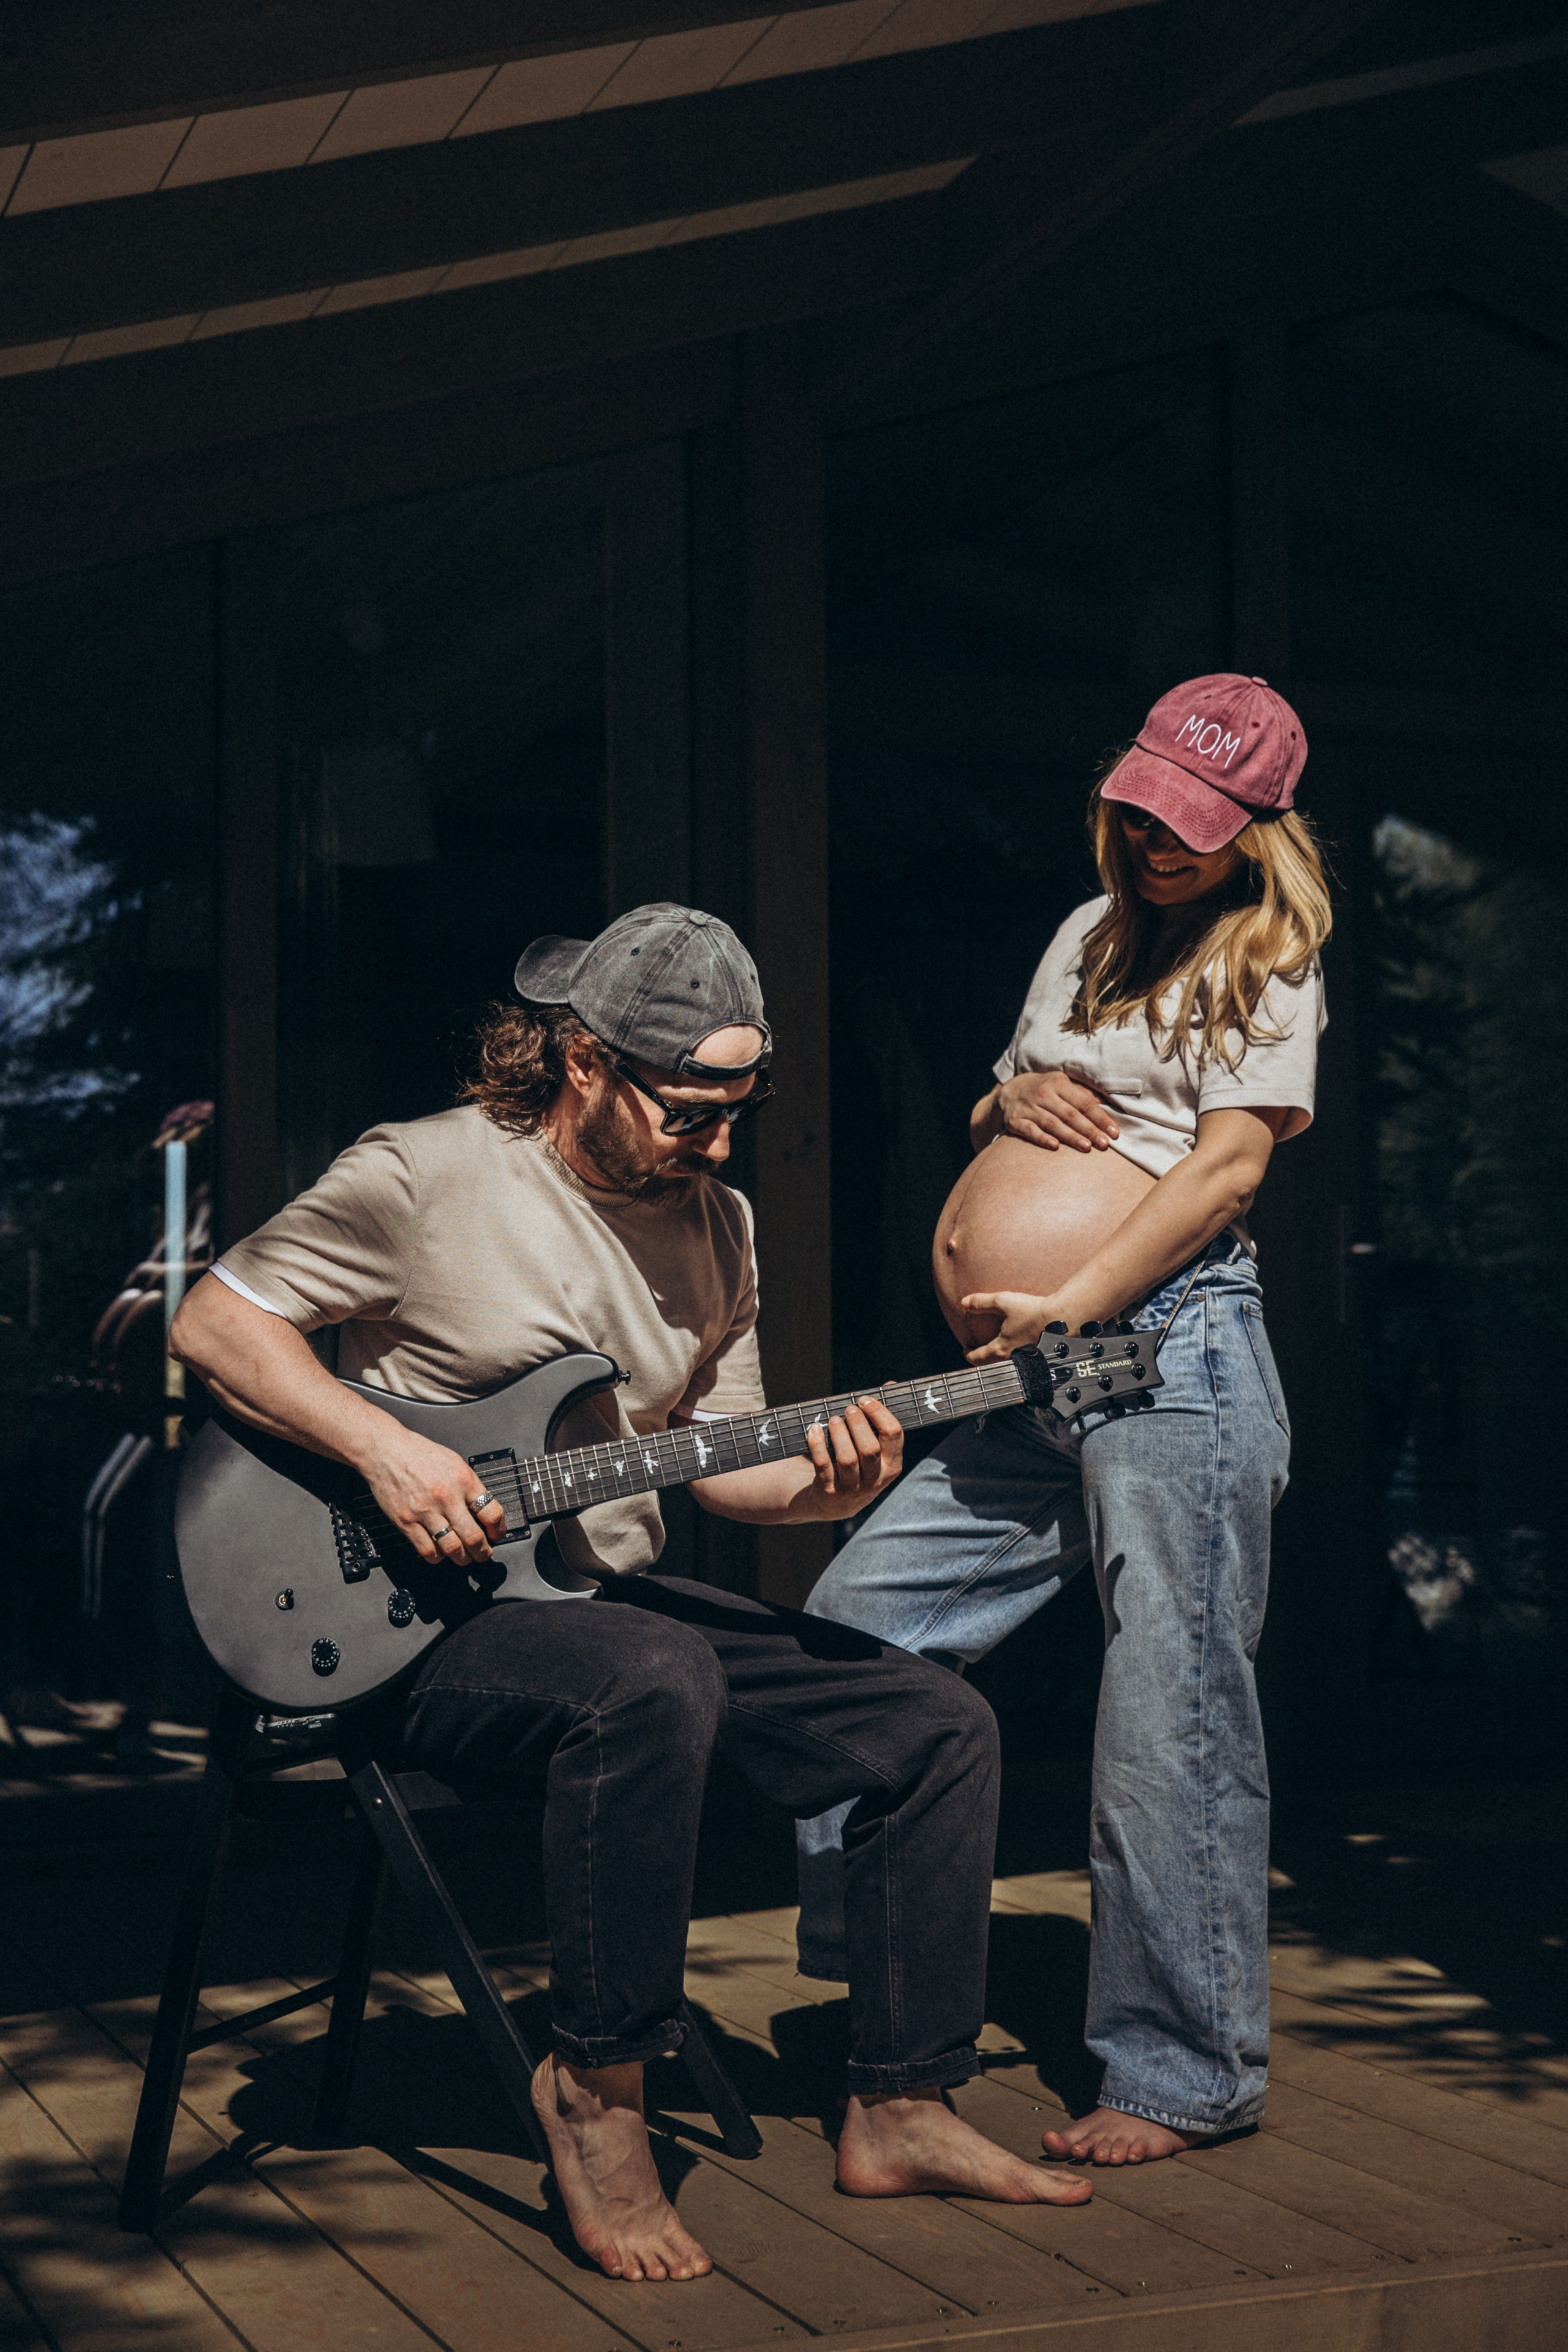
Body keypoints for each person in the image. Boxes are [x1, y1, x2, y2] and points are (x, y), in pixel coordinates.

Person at [170, 902, 1091, 2286]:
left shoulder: (720, 1224)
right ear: (585, 1062)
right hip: (412, 1628)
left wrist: (833, 1484)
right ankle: (596, 2090)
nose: (718, 1144)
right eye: (689, 1112)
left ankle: (902, 2101)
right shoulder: (422, 1173)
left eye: (739, 1111)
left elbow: (726, 1464)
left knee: (929, 1722)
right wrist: (386, 1450)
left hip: (599, 1605)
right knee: (653, 1677)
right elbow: (216, 1320)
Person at [796, 677, 1331, 2167]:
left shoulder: (1267, 954)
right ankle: (889, 1984)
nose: (1159, 843)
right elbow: (1007, 1106)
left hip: (1164, 1346)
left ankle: (1178, 2072)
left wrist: (1073, 1298)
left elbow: (1223, 1170)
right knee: (851, 1636)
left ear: (1256, 833)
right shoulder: (1084, 935)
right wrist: (1005, 1109)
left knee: (1170, 1710)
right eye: (1144, 812)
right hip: (1033, 1375)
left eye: (1194, 827)